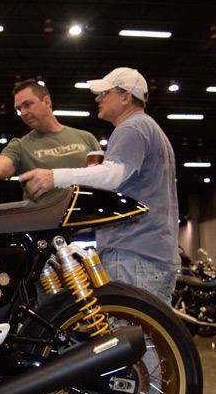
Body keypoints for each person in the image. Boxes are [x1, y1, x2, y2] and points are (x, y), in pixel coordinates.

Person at [16, 67, 180, 305]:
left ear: (126, 97)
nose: (98, 98)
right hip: (155, 254)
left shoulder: (131, 127)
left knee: (125, 327)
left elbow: (113, 176)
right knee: (151, 327)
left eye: (105, 93)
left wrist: (55, 177)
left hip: (133, 252)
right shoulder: (151, 129)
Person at [0, 79, 100, 202]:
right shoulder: (21, 146)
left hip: (88, 224)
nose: (23, 112)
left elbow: (104, 177)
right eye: (19, 109)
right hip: (44, 228)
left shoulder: (85, 138)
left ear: (46, 102)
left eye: (27, 105)